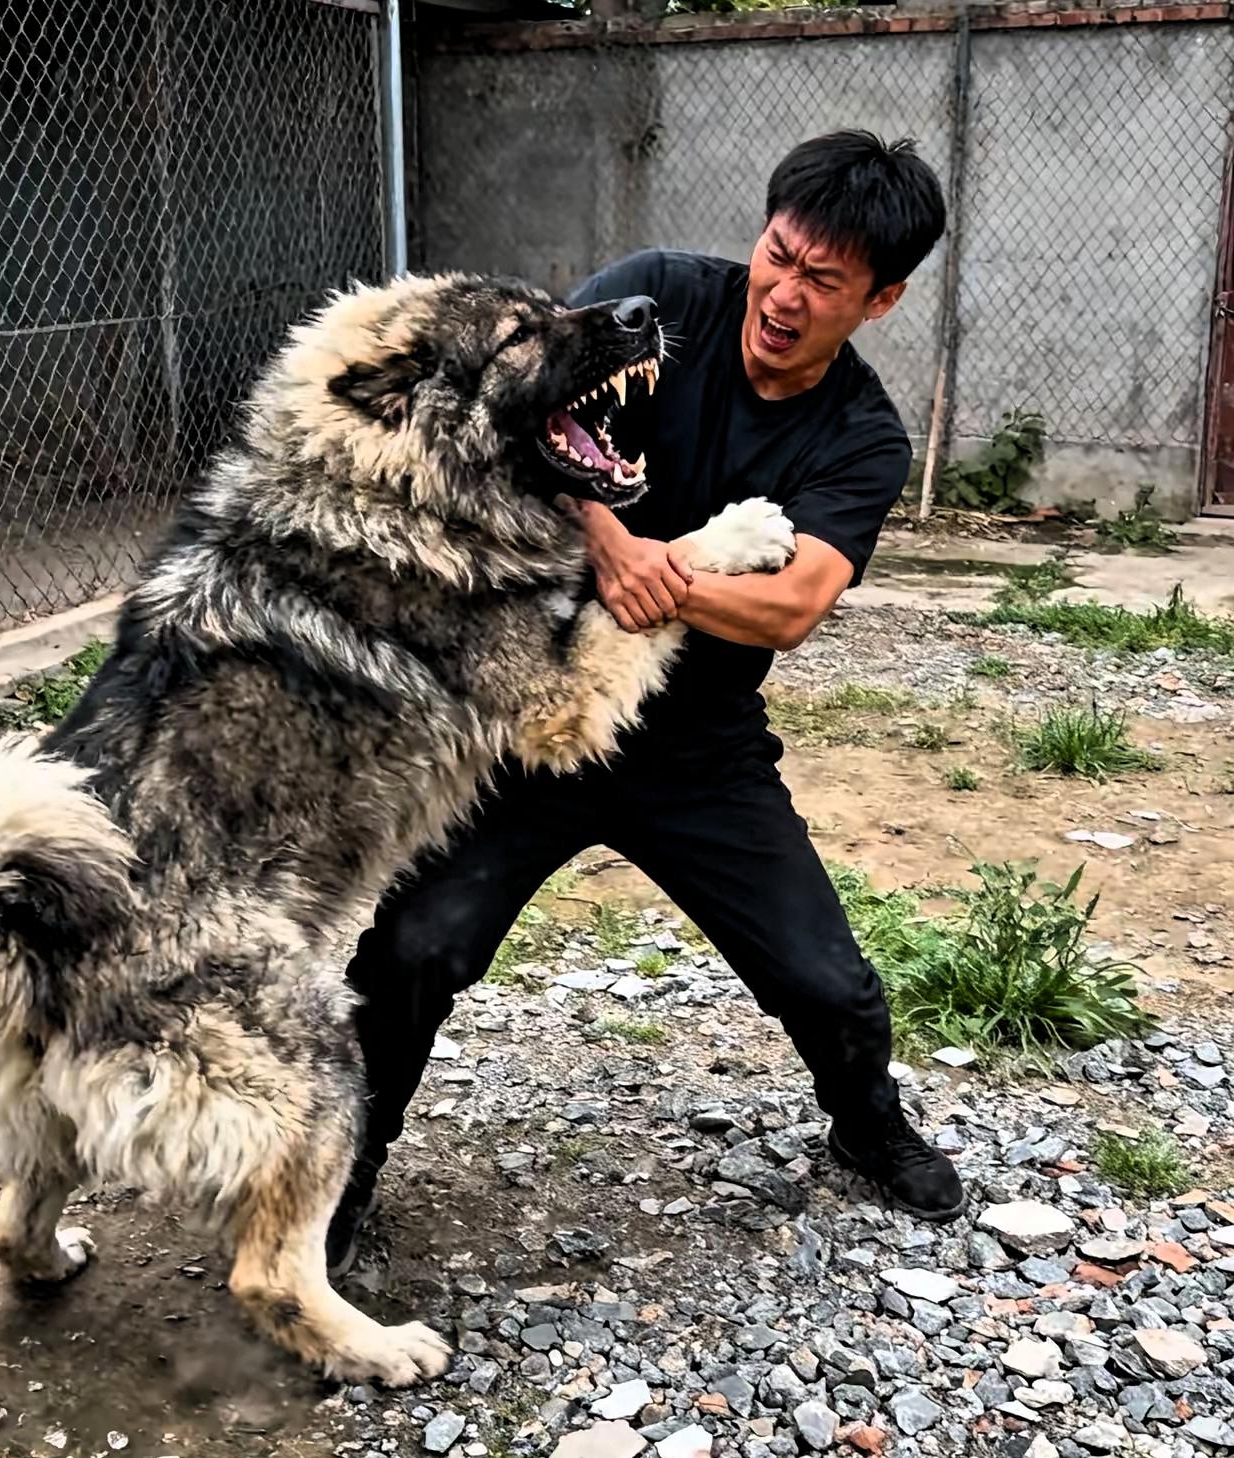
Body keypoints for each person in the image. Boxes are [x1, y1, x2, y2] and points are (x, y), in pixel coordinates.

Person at [327, 128, 964, 1272]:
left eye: (824, 283)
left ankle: (867, 1124)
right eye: (778, 255)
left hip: (695, 751)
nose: (784, 293)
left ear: (880, 300)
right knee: (416, 946)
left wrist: (657, 575)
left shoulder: (859, 434)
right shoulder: (660, 298)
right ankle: (343, 1171)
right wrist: (609, 537)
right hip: (539, 716)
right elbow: (511, 419)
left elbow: (792, 606)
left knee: (826, 980)